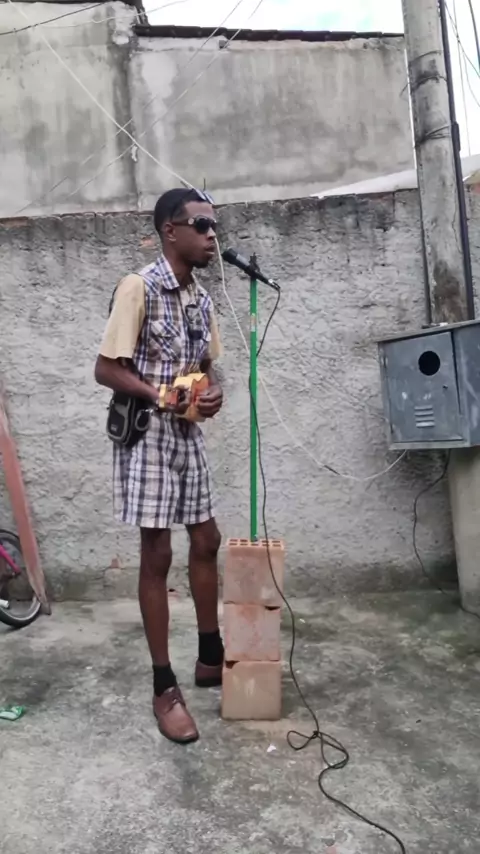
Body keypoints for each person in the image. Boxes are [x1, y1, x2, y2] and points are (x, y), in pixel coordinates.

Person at [95, 188, 224, 744]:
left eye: (215, 226)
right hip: (148, 434)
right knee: (158, 552)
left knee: (207, 538)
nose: (212, 236)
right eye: (202, 225)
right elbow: (106, 368)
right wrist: (158, 395)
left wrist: (210, 394)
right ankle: (163, 686)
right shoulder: (139, 287)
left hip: (187, 431)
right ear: (170, 231)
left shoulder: (202, 299)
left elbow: (205, 368)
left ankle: (211, 654)